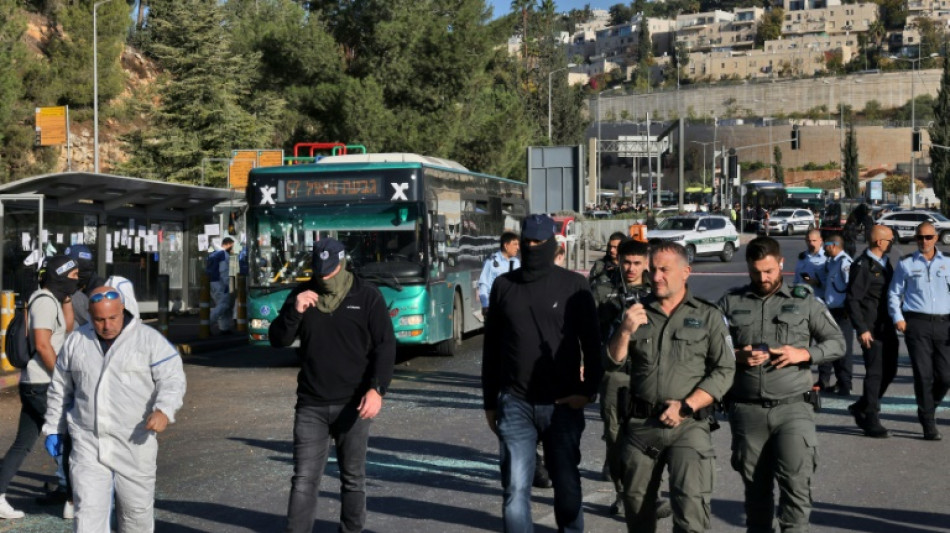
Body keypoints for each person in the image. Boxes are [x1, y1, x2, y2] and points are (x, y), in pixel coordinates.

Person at [482, 214, 603, 533]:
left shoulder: (574, 286)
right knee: (515, 488)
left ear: (552, 243)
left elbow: (592, 343)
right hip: (515, 403)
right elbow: (491, 349)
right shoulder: (503, 286)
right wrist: (490, 402)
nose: (532, 247)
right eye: (527, 242)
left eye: (539, 242)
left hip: (563, 404)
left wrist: (588, 390)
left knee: (567, 487)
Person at [269, 238, 396, 533]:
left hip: (354, 404)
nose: (325, 276)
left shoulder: (367, 295)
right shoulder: (301, 294)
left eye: (330, 270)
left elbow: (385, 345)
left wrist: (377, 389)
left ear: (342, 263)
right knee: (304, 479)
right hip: (311, 404)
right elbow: (278, 340)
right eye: (319, 271)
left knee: (352, 478)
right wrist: (294, 312)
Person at [606, 241, 735, 532]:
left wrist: (687, 405)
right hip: (641, 427)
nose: (656, 277)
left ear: (686, 272)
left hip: (688, 426)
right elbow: (612, 362)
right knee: (637, 513)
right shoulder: (635, 312)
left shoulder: (708, 315)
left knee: (690, 512)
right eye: (652, 270)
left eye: (664, 270)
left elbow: (725, 369)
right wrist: (624, 331)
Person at [718, 237, 844, 533]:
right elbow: (708, 347)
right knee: (756, 493)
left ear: (781, 264)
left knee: (796, 487)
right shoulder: (731, 302)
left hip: (793, 408)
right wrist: (736, 355)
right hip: (747, 412)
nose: (763, 278)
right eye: (756, 272)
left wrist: (804, 354)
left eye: (769, 271)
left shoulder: (804, 301)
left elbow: (837, 342)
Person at [43, 284, 185, 532]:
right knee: (87, 514)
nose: (107, 325)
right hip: (88, 441)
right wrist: (54, 427)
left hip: (134, 440)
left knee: (135, 514)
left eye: (112, 317)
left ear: (123, 310)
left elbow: (172, 379)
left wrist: (164, 410)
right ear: (89, 315)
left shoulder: (148, 340)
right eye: (99, 320)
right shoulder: (77, 341)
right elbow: (60, 389)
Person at [0, 256, 77, 521]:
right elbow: (43, 345)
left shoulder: (52, 299)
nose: (77, 279)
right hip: (43, 384)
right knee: (69, 438)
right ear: (60, 275)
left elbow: (67, 328)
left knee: (23, 443)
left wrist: (67, 297)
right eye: (73, 275)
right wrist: (62, 378)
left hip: (37, 383)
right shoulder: (44, 301)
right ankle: (73, 500)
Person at [591, 239, 651, 517]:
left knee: (649, 436)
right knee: (615, 439)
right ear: (619, 260)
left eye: (637, 263)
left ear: (646, 263)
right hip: (614, 372)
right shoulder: (602, 288)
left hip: (648, 373)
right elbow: (588, 331)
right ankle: (622, 493)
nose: (631, 268)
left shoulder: (656, 288)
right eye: (627, 262)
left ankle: (647, 492)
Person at [887, 222, 950, 441]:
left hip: (944, 324)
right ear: (915, 239)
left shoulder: (948, 262)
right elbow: (894, 293)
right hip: (917, 324)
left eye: (928, 237)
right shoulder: (906, 263)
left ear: (936, 238)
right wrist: (898, 318)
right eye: (920, 237)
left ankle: (928, 407)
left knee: (946, 376)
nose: (924, 241)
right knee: (923, 375)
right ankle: (928, 421)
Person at [846, 224, 899, 438]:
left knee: (890, 370)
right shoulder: (863, 266)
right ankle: (871, 416)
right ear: (879, 242)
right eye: (890, 240)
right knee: (875, 372)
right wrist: (862, 329)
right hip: (871, 328)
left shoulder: (884, 262)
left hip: (887, 326)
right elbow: (852, 300)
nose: (892, 243)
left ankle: (862, 405)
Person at [817, 235, 855, 396]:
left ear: (833, 245)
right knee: (827, 345)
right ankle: (827, 380)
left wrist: (848, 308)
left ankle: (845, 384)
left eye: (825, 245)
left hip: (842, 312)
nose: (824, 248)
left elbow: (852, 287)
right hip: (830, 311)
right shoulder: (832, 262)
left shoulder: (845, 263)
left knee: (843, 349)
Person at [477, 232, 520, 318]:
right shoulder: (492, 262)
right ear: (506, 245)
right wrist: (485, 305)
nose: (518, 247)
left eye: (518, 244)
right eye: (515, 244)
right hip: (496, 308)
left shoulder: (517, 262)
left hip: (513, 308)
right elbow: (484, 284)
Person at [208, 236, 234, 333]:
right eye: (232, 246)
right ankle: (207, 323)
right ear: (227, 244)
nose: (232, 248)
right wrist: (227, 284)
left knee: (222, 304)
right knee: (224, 304)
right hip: (219, 283)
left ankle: (224, 328)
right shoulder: (224, 255)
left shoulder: (213, 254)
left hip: (211, 282)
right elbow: (223, 271)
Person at [792, 229, 827, 299]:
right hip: (801, 298)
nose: (811, 243)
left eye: (814, 241)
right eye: (808, 241)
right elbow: (797, 278)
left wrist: (818, 283)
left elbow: (833, 284)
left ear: (820, 240)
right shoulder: (802, 256)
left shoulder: (826, 258)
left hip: (818, 298)